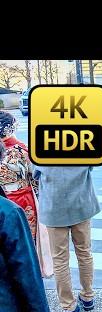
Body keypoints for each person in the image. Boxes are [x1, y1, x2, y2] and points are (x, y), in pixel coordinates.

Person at [34, 162, 100, 312]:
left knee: (59, 259)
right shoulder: (81, 143)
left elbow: (35, 173)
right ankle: (87, 297)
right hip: (81, 205)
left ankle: (68, 306)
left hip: (54, 208)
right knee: (84, 253)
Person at [0, 111, 53, 279]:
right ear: (10, 128)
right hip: (23, 199)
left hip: (3, 198)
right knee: (26, 240)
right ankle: (27, 275)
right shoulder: (22, 149)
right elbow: (35, 177)